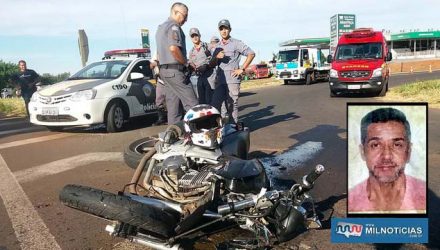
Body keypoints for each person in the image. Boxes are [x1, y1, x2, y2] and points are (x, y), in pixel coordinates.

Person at [348, 107, 426, 213]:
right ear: (363, 152)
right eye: (375, 145)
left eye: (397, 145)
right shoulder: (352, 202)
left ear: (409, 151)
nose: (386, 156)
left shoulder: (424, 198)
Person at [155, 2, 198, 125]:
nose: (185, 19)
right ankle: (198, 135)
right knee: (192, 104)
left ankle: (173, 136)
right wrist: (186, 63)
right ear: (175, 12)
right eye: (184, 16)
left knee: (173, 108)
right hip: (175, 71)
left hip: (165, 72)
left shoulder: (161, 28)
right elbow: (173, 48)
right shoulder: (174, 27)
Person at [211, 19, 255, 124]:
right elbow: (211, 64)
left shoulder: (236, 43)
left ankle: (233, 127)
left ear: (229, 29)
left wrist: (242, 69)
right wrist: (216, 57)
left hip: (232, 80)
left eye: (226, 28)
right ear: (219, 31)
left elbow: (251, 54)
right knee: (215, 104)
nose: (224, 31)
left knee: (231, 105)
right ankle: (217, 128)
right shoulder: (217, 46)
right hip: (220, 80)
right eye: (221, 29)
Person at [188, 28, 216, 104]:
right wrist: (192, 68)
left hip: (210, 75)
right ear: (190, 38)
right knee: (201, 100)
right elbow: (191, 64)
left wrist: (208, 65)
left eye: (196, 35)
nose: (195, 37)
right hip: (199, 77)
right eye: (192, 36)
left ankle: (218, 115)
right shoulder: (191, 52)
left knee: (211, 98)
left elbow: (215, 58)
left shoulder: (207, 46)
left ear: (199, 35)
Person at [150, 54, 167, 126]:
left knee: (171, 100)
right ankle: (161, 119)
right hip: (160, 80)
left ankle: (173, 118)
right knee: (158, 100)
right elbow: (151, 65)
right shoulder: (157, 52)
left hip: (170, 79)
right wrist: (156, 63)